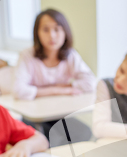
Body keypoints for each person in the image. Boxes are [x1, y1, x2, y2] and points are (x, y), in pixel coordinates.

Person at [13, 8, 96, 140]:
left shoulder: (70, 55)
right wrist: (58, 89)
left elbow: (90, 83)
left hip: (59, 114)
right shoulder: (27, 56)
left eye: (57, 29)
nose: (52, 35)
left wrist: (66, 86)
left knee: (84, 133)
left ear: (65, 32)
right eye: (45, 30)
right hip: (34, 115)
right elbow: (19, 91)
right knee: (49, 139)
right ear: (37, 33)